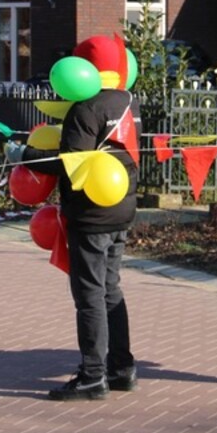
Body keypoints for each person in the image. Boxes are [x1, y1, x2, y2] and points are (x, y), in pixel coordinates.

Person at [14, 34, 141, 401]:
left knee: (89, 295)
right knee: (110, 289)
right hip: (121, 209)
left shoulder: (85, 108)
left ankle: (92, 376)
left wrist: (22, 155)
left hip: (90, 214)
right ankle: (122, 369)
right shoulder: (127, 101)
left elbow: (70, 164)